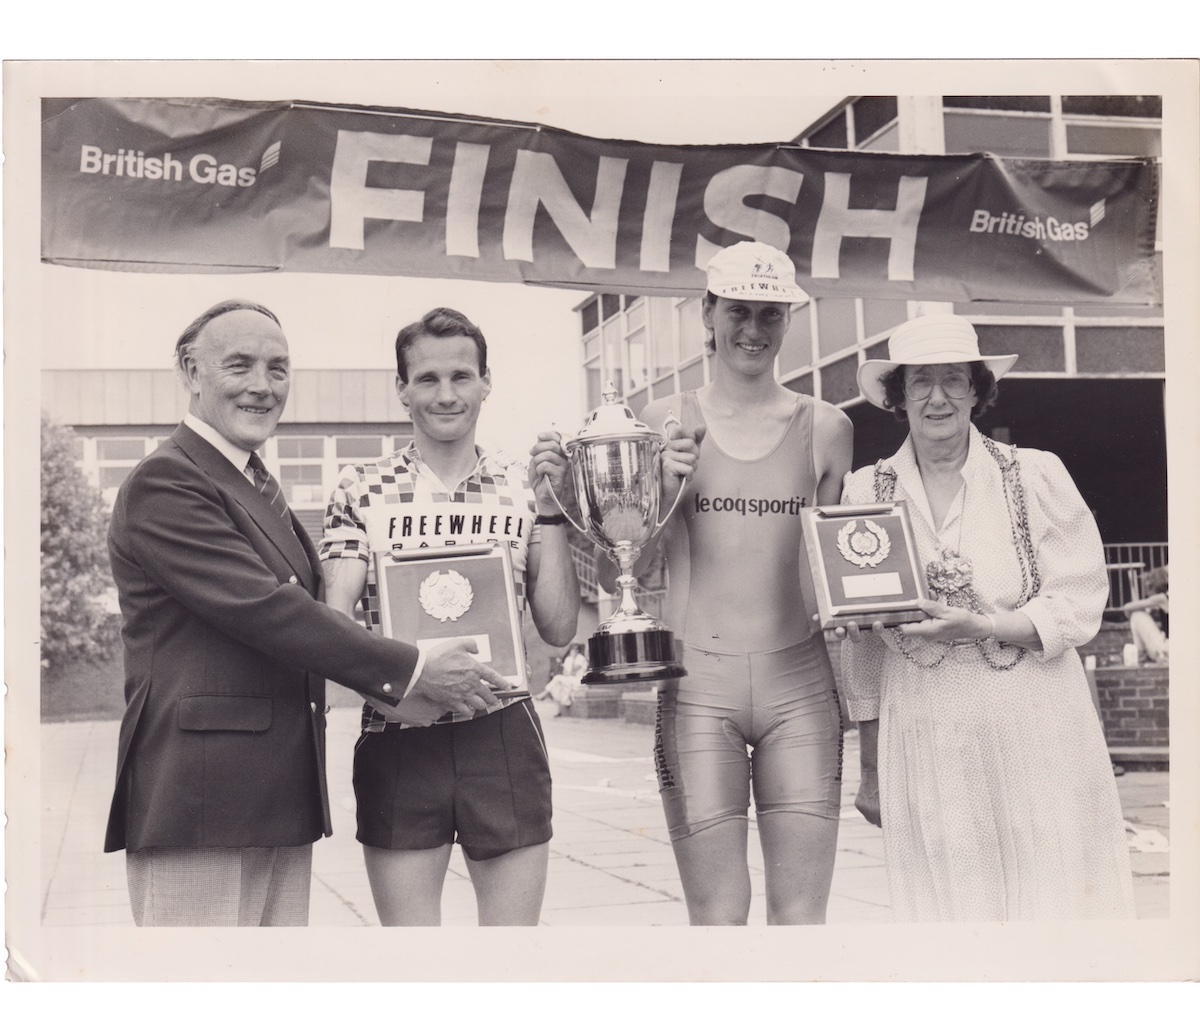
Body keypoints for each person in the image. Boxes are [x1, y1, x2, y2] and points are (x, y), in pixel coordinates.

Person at [105, 299, 511, 927]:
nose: (262, 387)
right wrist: (411, 671)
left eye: (278, 368)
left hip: (273, 798)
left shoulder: (249, 481)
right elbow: (271, 610)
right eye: (238, 366)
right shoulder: (168, 482)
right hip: (201, 802)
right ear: (191, 370)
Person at [840, 312, 1135, 921]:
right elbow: (864, 647)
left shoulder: (1036, 474)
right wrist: (870, 769)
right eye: (920, 381)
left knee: (1053, 898)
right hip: (927, 729)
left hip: (1037, 723)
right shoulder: (865, 491)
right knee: (951, 910)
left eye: (954, 378)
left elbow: (1080, 598)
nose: (938, 396)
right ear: (898, 396)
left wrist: (987, 626)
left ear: (978, 390)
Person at [607, 241, 853, 924]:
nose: (753, 330)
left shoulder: (828, 429)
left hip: (800, 684)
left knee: (801, 919)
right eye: (738, 312)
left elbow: (840, 568)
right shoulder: (661, 421)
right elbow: (622, 563)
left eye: (770, 316)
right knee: (718, 917)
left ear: (788, 321)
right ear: (706, 315)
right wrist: (660, 484)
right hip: (696, 687)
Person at [319, 307, 580, 926]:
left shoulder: (523, 488)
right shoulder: (362, 487)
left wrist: (551, 514)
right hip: (401, 729)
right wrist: (397, 684)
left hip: (502, 727)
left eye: (462, 376)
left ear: (487, 383)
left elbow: (561, 628)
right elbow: (334, 615)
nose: (446, 394)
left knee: (509, 957)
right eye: (427, 379)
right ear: (402, 388)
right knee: (414, 964)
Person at [1124, 565, 1169, 664]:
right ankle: (1144, 656)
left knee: (1137, 615)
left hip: (1168, 650)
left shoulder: (1161, 598)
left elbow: (1127, 607)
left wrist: (1144, 608)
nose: (1146, 594)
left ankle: (1141, 656)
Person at [536, 642, 589, 715]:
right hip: (569, 679)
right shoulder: (568, 659)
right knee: (557, 687)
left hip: (578, 680)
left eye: (576, 650)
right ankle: (562, 707)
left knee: (557, 678)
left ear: (578, 651)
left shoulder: (581, 658)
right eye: (572, 650)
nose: (573, 651)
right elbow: (565, 672)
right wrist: (568, 671)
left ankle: (544, 693)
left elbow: (573, 671)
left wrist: (574, 659)